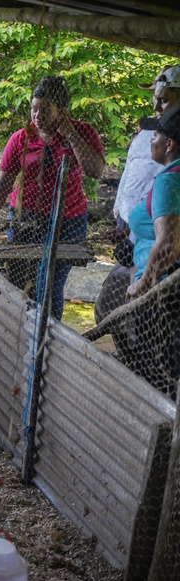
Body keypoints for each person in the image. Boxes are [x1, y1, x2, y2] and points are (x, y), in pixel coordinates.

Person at [0, 75, 105, 320]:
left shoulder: (82, 131)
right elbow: (3, 184)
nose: (37, 116)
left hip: (68, 221)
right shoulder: (21, 138)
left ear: (63, 111)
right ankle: (17, 330)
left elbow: (95, 171)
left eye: (45, 110)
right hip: (26, 219)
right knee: (19, 280)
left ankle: (47, 340)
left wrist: (71, 135)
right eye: (34, 109)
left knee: (49, 285)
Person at [97, 66, 180, 350]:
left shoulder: (170, 174)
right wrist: (124, 226)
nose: (156, 106)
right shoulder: (149, 132)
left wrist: (145, 282)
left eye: (165, 100)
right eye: (155, 99)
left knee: (148, 340)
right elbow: (134, 183)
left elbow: (169, 237)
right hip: (139, 250)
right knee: (109, 312)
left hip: (159, 276)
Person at [122, 104, 180, 396]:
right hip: (167, 283)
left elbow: (169, 242)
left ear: (169, 144)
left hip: (162, 290)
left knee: (156, 369)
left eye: (155, 135)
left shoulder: (170, 180)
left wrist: (144, 283)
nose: (150, 141)